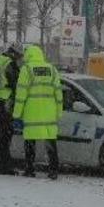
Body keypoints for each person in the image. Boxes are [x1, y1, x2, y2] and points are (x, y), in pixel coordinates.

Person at [12, 45, 63, 179]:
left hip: (32, 113)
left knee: (30, 142)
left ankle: (29, 169)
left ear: (28, 55)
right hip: (49, 113)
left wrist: (16, 113)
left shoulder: (26, 69)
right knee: (50, 142)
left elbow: (21, 93)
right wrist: (59, 111)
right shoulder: (52, 69)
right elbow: (58, 92)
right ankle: (53, 170)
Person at [0, 43, 23, 175]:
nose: (18, 59)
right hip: (5, 102)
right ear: (14, 53)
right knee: (5, 134)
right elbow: (15, 83)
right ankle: (4, 166)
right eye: (18, 56)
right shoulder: (10, 63)